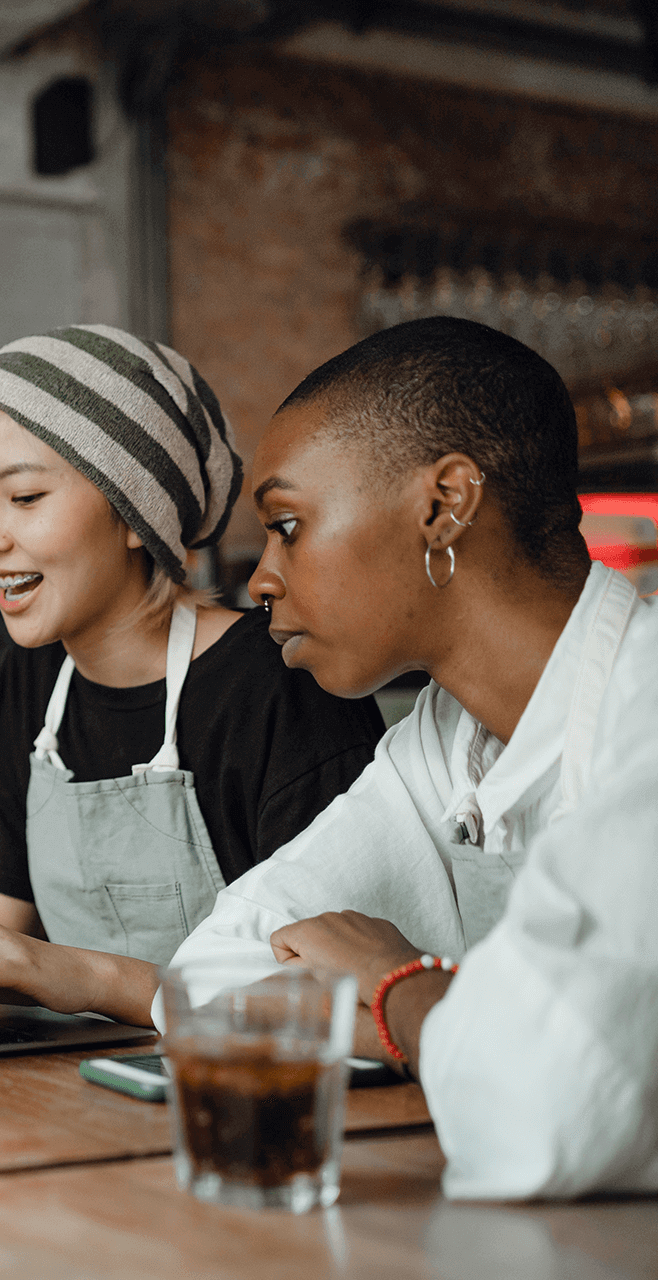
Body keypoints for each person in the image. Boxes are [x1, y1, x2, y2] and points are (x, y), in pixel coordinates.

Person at [163, 318, 657, 1088]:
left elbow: (567, 1110)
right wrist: (459, 1029)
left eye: (288, 527)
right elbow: (205, 979)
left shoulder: (644, 714)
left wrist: (394, 979)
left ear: (445, 505)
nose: (260, 581)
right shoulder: (440, 740)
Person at [0, 325, 384, 1027]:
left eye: (25, 497)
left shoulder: (278, 685)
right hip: (67, 1087)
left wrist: (86, 975)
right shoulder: (34, 680)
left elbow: (328, 1001)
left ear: (138, 512)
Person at [270, 648, 658, 1200]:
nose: (263, 579)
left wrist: (390, 974)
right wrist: (425, 1028)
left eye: (291, 551)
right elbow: (238, 960)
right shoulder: (443, 729)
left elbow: (543, 1110)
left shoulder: (641, 701)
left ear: (436, 552)